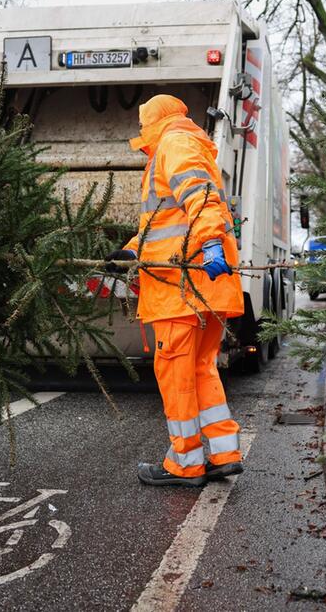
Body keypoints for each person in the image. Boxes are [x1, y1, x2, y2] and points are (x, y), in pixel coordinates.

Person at [106, 94, 244, 487]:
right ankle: (223, 454)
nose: (139, 131)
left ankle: (185, 464)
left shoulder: (174, 144)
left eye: (141, 123)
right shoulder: (186, 143)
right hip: (203, 287)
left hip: (181, 290)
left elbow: (200, 199)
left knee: (177, 375)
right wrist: (130, 251)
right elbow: (166, 226)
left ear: (153, 121)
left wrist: (211, 243)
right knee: (202, 370)